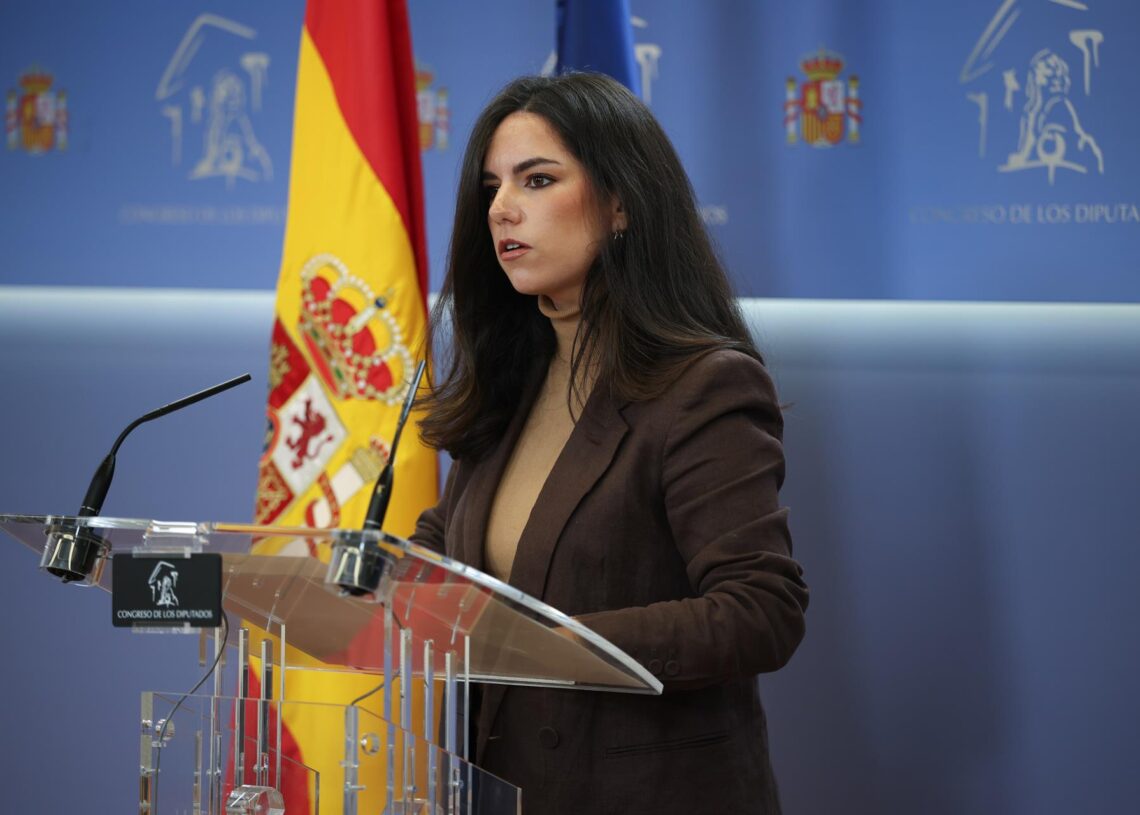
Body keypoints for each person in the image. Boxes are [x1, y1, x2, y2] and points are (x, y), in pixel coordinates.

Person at [411, 73, 808, 815]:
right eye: (492, 185)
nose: (502, 207)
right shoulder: (509, 379)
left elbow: (762, 608)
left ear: (620, 202)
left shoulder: (702, 386)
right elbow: (443, 555)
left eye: (537, 179)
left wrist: (549, 646)